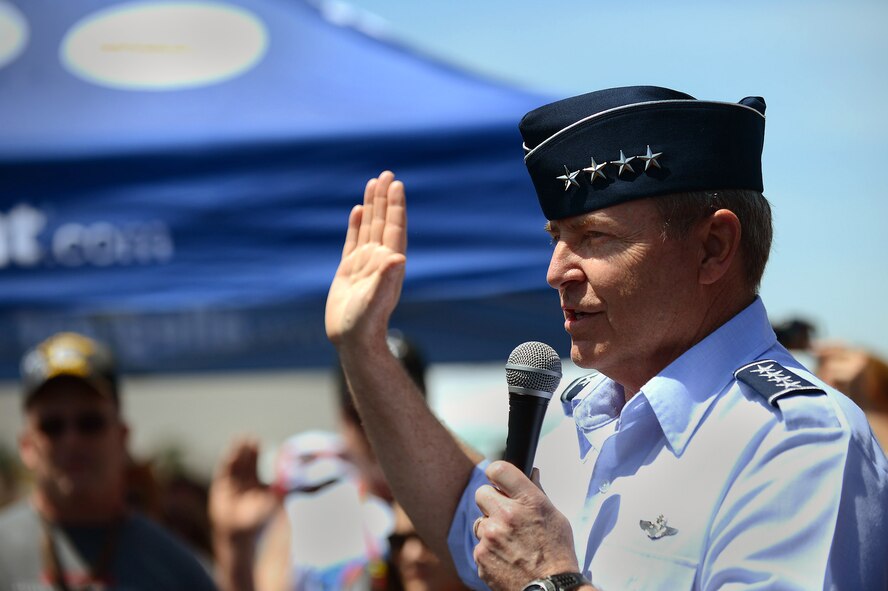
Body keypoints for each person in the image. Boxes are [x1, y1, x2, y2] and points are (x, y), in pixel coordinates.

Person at [324, 85, 888, 591]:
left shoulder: (798, 442)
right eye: (557, 237)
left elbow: (531, 567)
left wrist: (550, 583)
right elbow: (464, 518)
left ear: (714, 246)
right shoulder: (586, 412)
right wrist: (363, 348)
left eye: (594, 236)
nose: (556, 271)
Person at [211, 333, 465, 591]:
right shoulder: (308, 508)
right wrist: (235, 547)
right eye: (361, 414)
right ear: (341, 417)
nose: (378, 431)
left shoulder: (455, 502)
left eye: (396, 414)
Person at [0, 331, 217, 590]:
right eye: (52, 426)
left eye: (90, 423)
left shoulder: (177, 568)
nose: (72, 440)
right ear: (26, 446)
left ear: (122, 437)